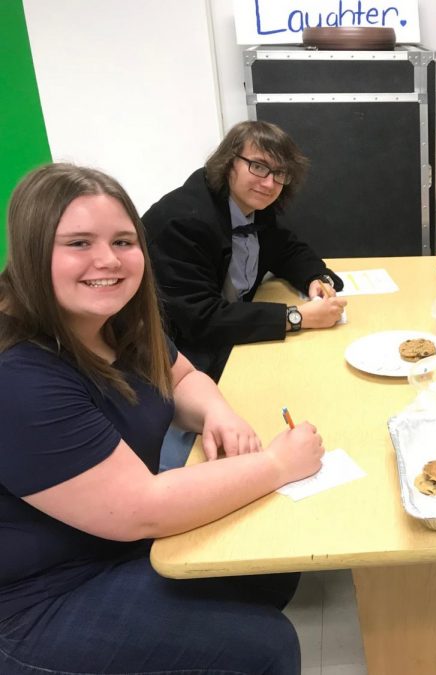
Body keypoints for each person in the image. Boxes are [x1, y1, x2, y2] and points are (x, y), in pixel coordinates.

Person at [0, 163, 325, 674]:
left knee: (273, 572)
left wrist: (218, 411)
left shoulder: (116, 321)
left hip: (112, 543)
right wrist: (279, 465)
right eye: (79, 243)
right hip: (39, 598)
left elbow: (182, 376)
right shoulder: (20, 375)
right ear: (32, 250)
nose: (107, 260)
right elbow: (141, 508)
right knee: (266, 649)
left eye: (124, 241)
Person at [143, 120, 347, 382]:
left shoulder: (252, 208)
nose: (270, 183)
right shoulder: (183, 221)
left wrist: (316, 278)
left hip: (227, 332)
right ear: (229, 161)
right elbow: (200, 319)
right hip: (179, 353)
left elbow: (286, 249)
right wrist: (295, 317)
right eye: (259, 166)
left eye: (280, 173)